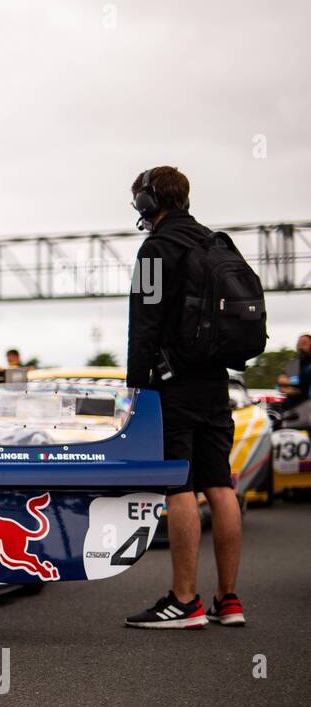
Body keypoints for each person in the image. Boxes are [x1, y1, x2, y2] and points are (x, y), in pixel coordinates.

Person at [123, 166, 244, 629]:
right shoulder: (213, 241)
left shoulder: (156, 249)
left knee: (180, 485)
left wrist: (138, 384)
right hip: (216, 381)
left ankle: (184, 601)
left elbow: (145, 321)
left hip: (174, 383)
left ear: (149, 202)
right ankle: (227, 601)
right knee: (220, 483)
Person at [277, 333, 311, 414]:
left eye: (304, 344)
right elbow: (280, 386)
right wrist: (294, 386)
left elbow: (304, 381)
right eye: (298, 344)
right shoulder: (293, 363)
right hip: (289, 409)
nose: (300, 347)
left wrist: (291, 383)